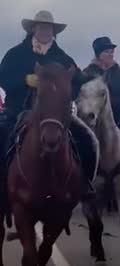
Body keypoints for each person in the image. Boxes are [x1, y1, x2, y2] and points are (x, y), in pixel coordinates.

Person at [0, 10, 96, 198]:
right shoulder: (16, 54)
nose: (45, 31)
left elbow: (76, 81)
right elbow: (3, 78)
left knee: (87, 139)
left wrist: (86, 81)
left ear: (54, 32)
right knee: (1, 137)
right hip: (19, 110)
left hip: (56, 116)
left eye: (49, 28)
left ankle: (84, 185)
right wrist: (24, 80)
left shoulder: (62, 57)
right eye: (41, 27)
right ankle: (3, 190)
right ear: (33, 29)